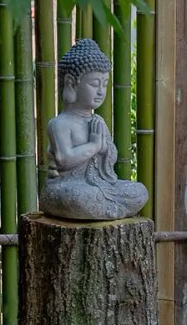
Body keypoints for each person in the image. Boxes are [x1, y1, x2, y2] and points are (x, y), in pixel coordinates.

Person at [40, 38, 149, 221]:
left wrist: (105, 149)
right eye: (94, 84)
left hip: (98, 185)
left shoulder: (97, 121)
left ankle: (107, 208)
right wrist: (93, 145)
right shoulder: (59, 124)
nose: (101, 91)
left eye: (105, 84)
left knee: (140, 191)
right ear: (71, 83)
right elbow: (64, 158)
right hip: (66, 187)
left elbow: (111, 155)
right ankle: (109, 209)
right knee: (77, 198)